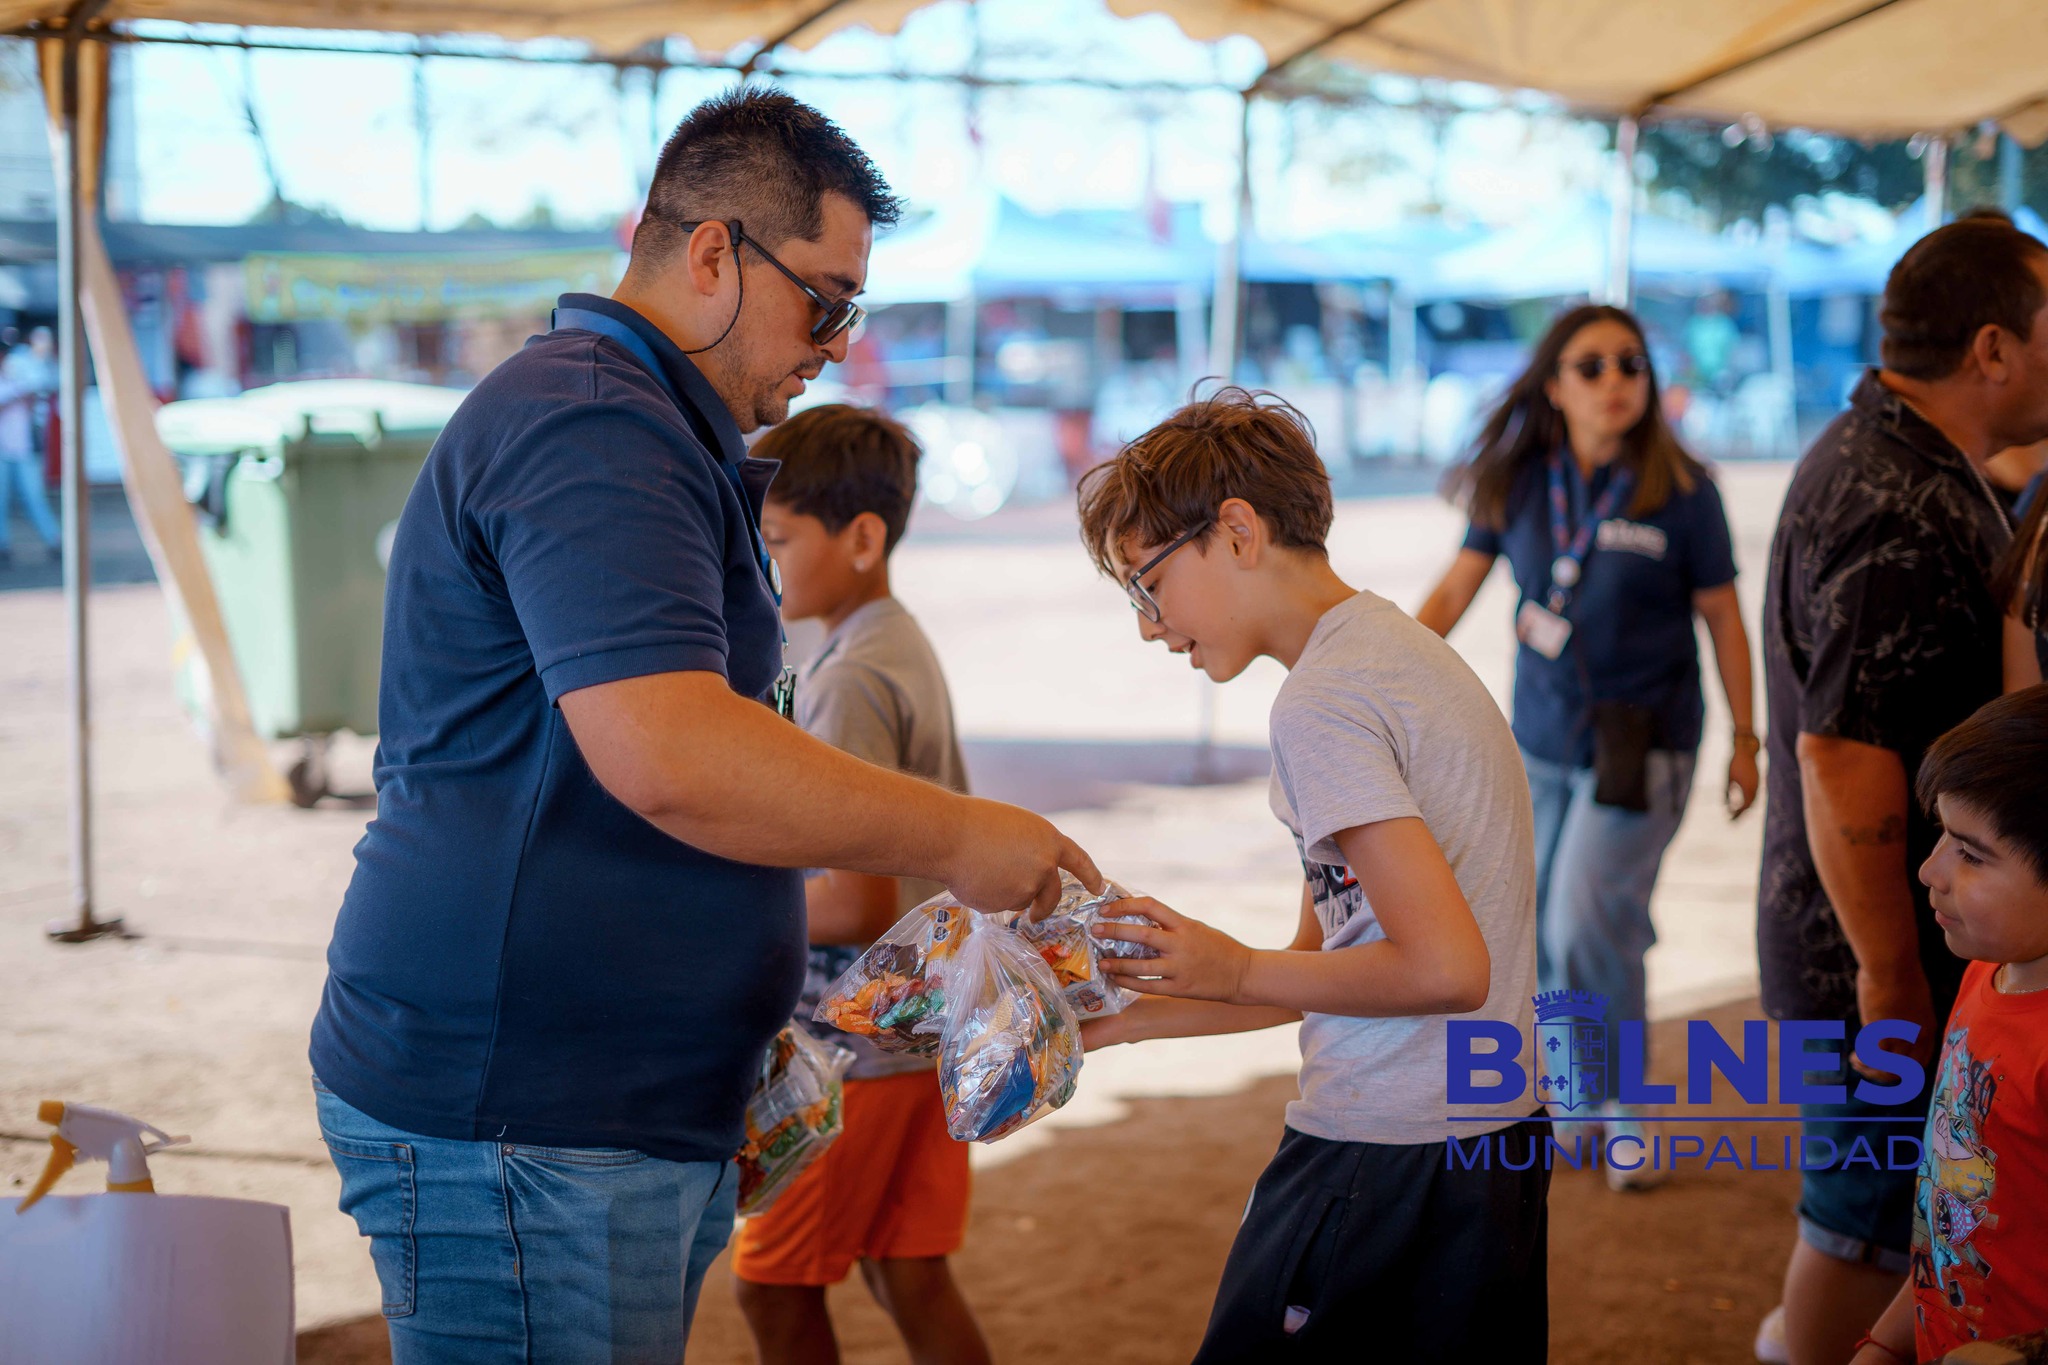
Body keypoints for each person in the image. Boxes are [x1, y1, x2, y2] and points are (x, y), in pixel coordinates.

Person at [307, 90, 1100, 1363]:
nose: (838, 345)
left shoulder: (651, 426)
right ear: (716, 254)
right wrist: (956, 836)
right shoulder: (594, 423)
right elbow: (670, 754)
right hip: (526, 1113)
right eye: (826, 303)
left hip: (603, 1107)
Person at [1077, 389, 1548, 1363]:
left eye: (1146, 585)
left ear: (1236, 532)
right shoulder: (1389, 654)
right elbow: (1323, 968)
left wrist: (1231, 966)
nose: (1148, 627)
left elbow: (1444, 969)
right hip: (1484, 1143)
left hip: (1388, 1153)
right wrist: (1119, 1021)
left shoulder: (1322, 703)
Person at [1753, 215, 2048, 1365]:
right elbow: (1838, 753)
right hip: (1879, 960)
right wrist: (1887, 974)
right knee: (1866, 1232)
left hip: (1893, 944)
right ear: (1991, 349)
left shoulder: (1888, 454)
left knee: (1888, 1220)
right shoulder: (1895, 498)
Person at [1416, 304, 1757, 1190]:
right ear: (1555, 386)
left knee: (1588, 921)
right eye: (1593, 365)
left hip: (1644, 745)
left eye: (1631, 364)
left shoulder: (1685, 491)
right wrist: (1382, 674)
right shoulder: (1521, 482)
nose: (1616, 381)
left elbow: (1724, 617)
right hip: (1538, 741)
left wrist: (1746, 737)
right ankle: (1575, 1094)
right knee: (1539, 926)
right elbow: (1454, 590)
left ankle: (1629, 1106)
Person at [731, 403, 990, 1365]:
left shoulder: (848, 677)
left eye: (778, 538)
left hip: (856, 1055)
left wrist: (724, 901)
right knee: (907, 1271)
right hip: (920, 1037)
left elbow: (855, 899)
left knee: (771, 1286)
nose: (760, 560)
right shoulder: (894, 640)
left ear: (863, 539)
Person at [1849, 685, 2048, 1365]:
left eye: (1971, 853)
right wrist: (1886, 1340)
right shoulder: (1984, 974)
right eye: (1942, 836)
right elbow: (1953, 1238)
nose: (1929, 869)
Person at [0, 331, 61, 566]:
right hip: (4, 451)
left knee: (35, 498)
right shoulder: (14, 382)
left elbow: (38, 390)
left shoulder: (18, 375)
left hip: (22, 449)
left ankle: (54, 540)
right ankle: (3, 546)